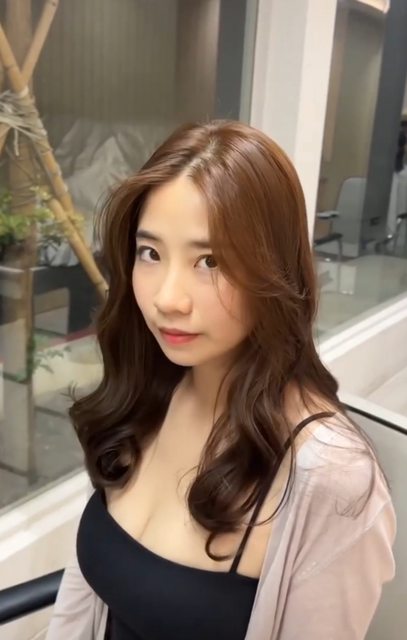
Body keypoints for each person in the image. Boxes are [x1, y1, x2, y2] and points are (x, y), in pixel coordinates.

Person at [46, 120, 396, 640]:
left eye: (209, 261)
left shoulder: (330, 482)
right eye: (150, 253)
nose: (168, 299)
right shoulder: (149, 394)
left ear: (275, 272)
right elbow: (87, 594)